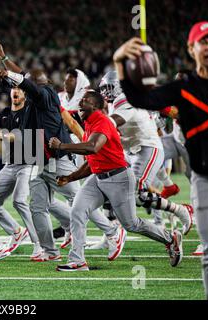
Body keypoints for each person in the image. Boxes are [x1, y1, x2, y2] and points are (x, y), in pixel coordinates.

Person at [0, 42, 121, 262]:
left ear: (41, 84)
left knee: (77, 198)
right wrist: (4, 59)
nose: (25, 86)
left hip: (57, 159)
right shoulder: (34, 94)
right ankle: (50, 252)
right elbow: (24, 78)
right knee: (38, 207)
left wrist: (13, 76)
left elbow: (27, 83)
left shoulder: (45, 95)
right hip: (37, 161)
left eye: (29, 82)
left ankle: (112, 233)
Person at [112, 21, 208, 299]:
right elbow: (142, 99)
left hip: (161, 151)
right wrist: (120, 63)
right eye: (203, 42)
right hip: (205, 180)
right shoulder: (184, 87)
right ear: (191, 49)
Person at [50, 90, 183, 271]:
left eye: (85, 101)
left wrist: (62, 146)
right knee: (77, 211)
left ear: (96, 106)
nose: (80, 104)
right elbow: (92, 163)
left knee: (131, 224)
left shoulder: (102, 121)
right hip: (98, 178)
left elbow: (93, 147)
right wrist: (70, 177)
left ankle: (169, 238)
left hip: (118, 178)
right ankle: (77, 260)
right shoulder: (89, 123)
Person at [98, 71, 192, 233]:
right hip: (133, 150)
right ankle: (112, 234)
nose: (105, 92)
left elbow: (113, 123)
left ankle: (180, 210)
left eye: (109, 88)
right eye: (104, 88)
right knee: (109, 184)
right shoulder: (117, 102)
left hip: (148, 146)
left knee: (137, 195)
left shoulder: (125, 98)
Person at [0, 86, 42, 260]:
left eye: (19, 89)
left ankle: (40, 245)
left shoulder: (30, 112)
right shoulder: (2, 114)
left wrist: (1, 135)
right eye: (13, 89)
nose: (15, 92)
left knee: (19, 201)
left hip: (29, 164)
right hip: (10, 165)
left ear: (25, 93)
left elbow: (23, 135)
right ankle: (16, 231)